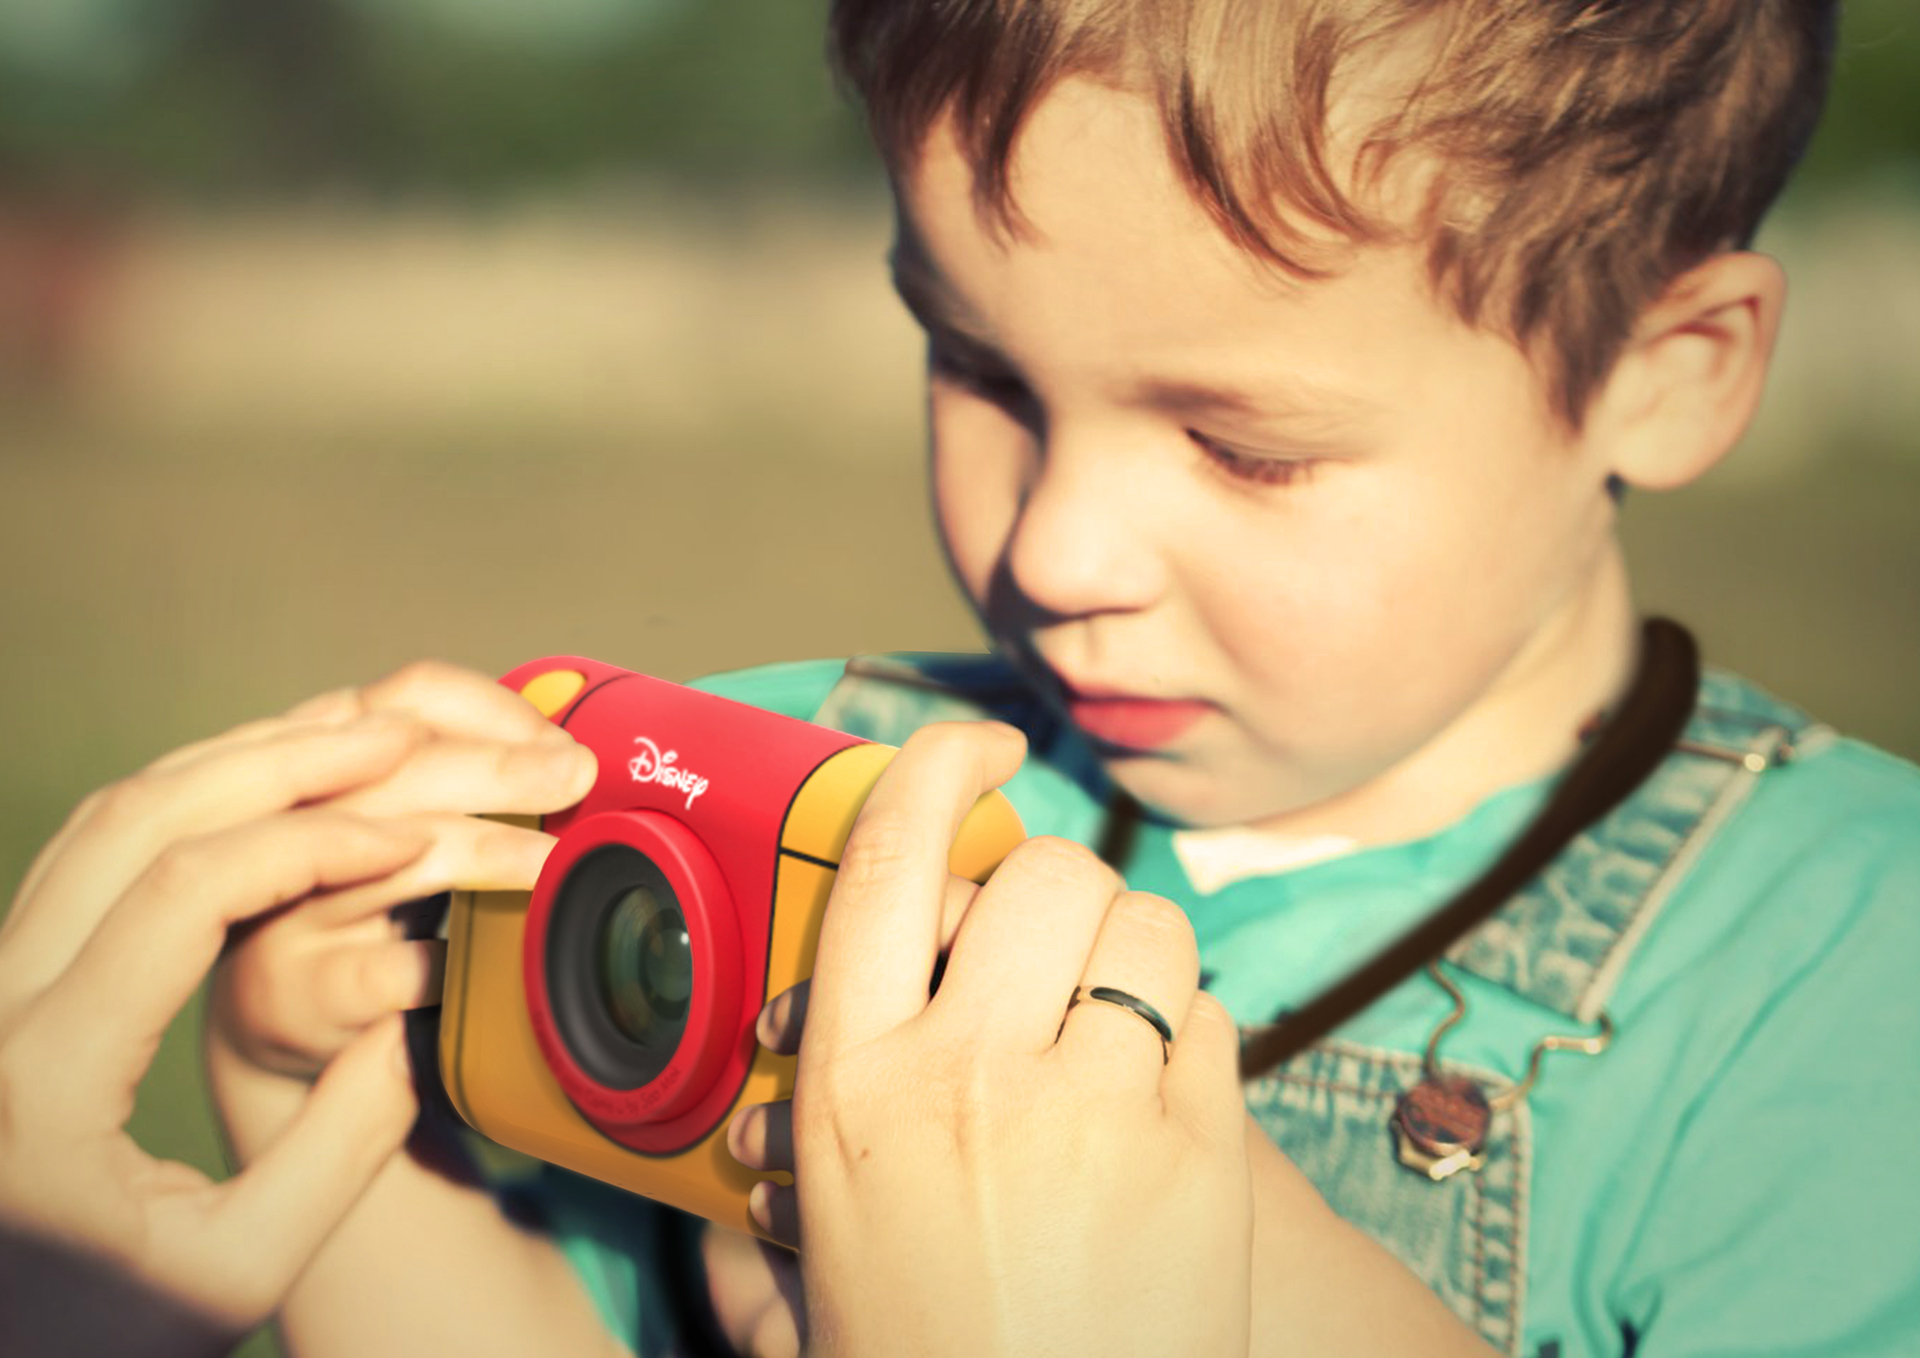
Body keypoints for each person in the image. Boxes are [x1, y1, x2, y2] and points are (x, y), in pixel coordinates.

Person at [8, 0, 1919, 1355]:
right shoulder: (790, 788)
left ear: (1667, 372)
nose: (1054, 552)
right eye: (983, 371)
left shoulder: (1847, 982)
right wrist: (326, 1123)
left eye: (1247, 448)